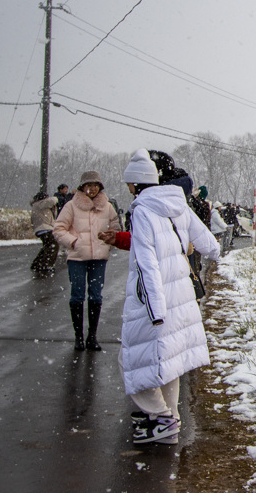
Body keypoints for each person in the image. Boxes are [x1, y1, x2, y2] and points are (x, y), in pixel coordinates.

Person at [119, 149, 220, 445]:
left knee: (129, 358)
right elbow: (211, 246)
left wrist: (154, 310)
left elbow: (146, 265)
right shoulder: (177, 205)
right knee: (169, 358)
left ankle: (161, 416)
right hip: (181, 296)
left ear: (135, 184)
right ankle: (168, 422)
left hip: (156, 299)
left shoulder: (142, 211)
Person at [52, 171, 121, 351]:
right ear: (83, 187)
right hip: (77, 258)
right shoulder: (71, 206)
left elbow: (116, 228)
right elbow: (59, 229)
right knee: (77, 295)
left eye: (95, 185)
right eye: (89, 185)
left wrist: (108, 242)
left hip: (99, 259)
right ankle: (78, 337)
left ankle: (92, 336)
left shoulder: (107, 206)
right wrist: (73, 242)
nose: (92, 189)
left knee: (96, 296)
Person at [29, 191, 59, 273]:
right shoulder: (41, 203)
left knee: (47, 246)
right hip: (45, 228)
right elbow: (53, 200)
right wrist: (56, 197)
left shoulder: (37, 205)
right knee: (53, 245)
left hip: (41, 229)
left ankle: (37, 263)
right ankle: (46, 265)